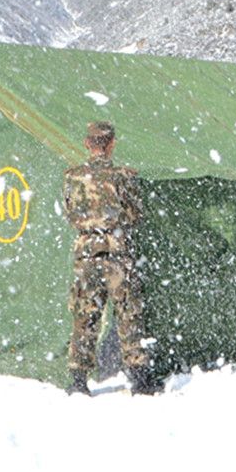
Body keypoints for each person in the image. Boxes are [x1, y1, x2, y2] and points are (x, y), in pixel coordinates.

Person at [63, 121, 159, 395]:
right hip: (117, 252)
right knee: (129, 313)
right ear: (112, 144)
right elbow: (135, 214)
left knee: (85, 316)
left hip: (87, 254)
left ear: (87, 144)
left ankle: (78, 379)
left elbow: (70, 213)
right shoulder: (122, 176)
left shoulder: (72, 177)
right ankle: (139, 378)